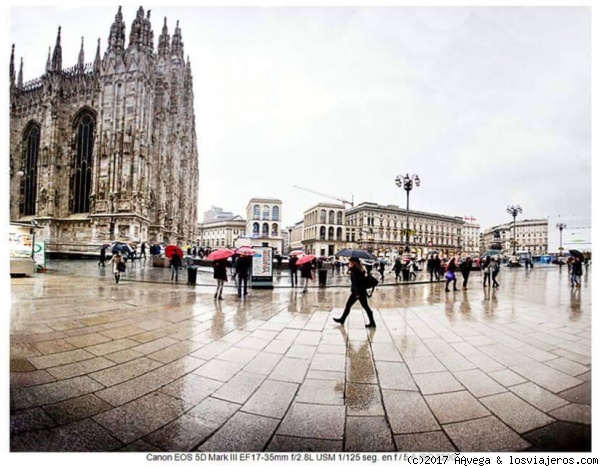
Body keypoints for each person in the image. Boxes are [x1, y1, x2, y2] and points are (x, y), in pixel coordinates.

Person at [333, 257, 376, 328]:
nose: (349, 263)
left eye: (350, 262)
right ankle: (342, 319)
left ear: (354, 263)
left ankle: (372, 323)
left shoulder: (356, 271)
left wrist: (357, 294)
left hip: (358, 292)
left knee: (364, 307)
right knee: (352, 305)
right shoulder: (359, 270)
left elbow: (356, 283)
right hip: (360, 291)